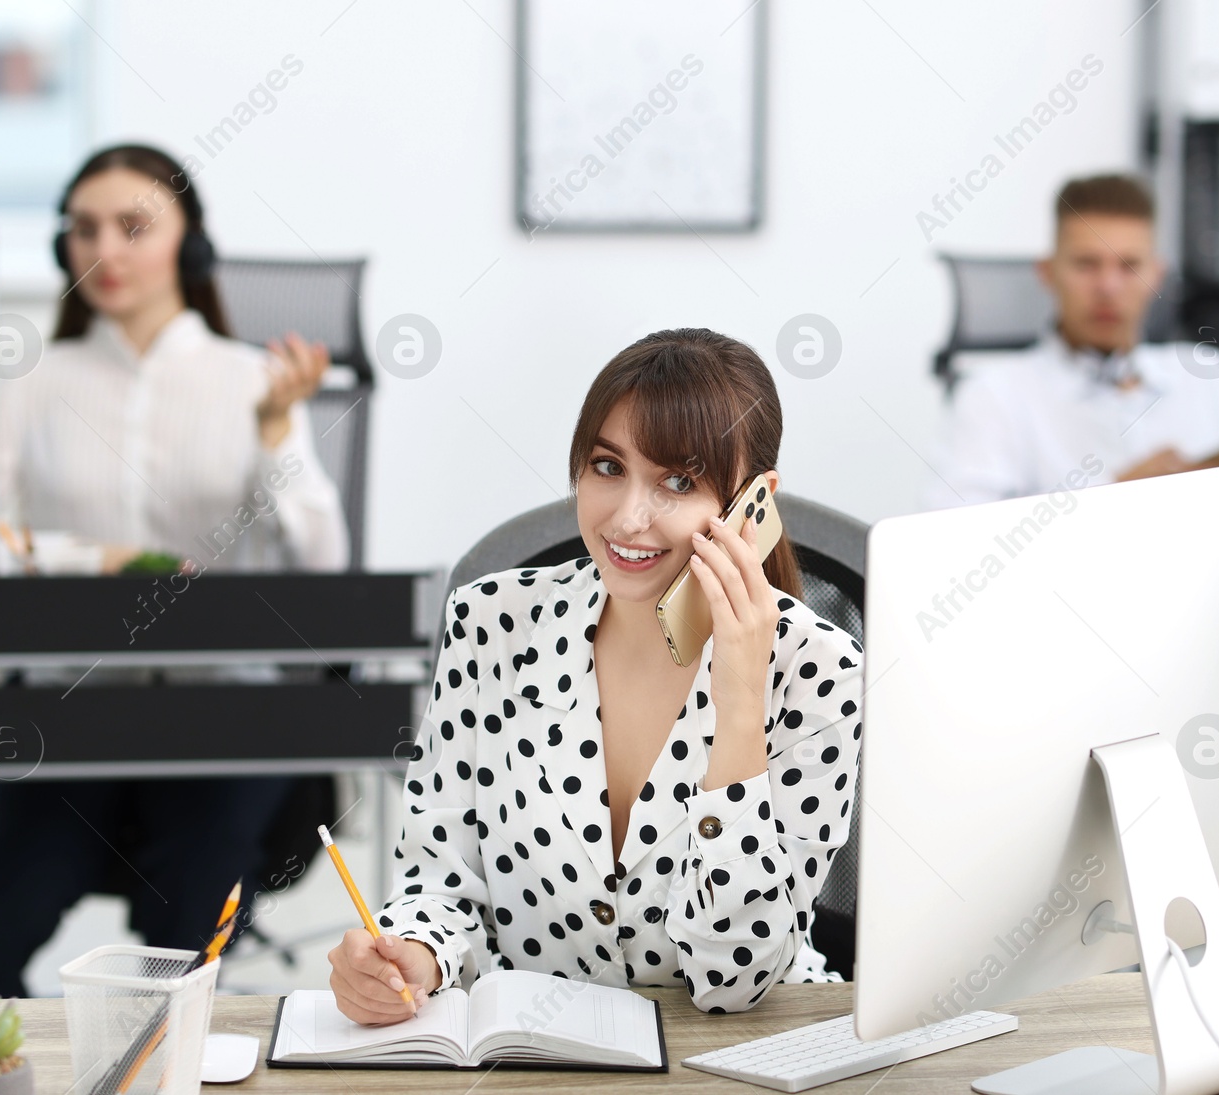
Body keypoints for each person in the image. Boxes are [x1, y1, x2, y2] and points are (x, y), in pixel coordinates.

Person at [327, 329, 863, 1021]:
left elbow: (735, 980)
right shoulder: (492, 622)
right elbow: (441, 882)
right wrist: (413, 954)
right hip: (537, 1051)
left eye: (678, 481)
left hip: (739, 1056)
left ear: (752, 503)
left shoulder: (820, 669)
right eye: (608, 467)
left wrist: (740, 706)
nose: (629, 516)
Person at [0, 145, 345, 997]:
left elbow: (323, 564)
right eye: (83, 229)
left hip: (221, 709)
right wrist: (94, 561)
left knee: (183, 942)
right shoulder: (33, 381)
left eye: (133, 226)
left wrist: (279, 433)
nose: (104, 250)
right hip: (65, 704)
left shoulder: (253, 381)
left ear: (191, 246)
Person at [923, 173, 1219, 510]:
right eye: (1087, 264)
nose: (1108, 287)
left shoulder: (1212, 378)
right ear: (1047, 272)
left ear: (1157, 276)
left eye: (1129, 266)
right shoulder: (994, 396)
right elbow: (951, 544)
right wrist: (1113, 496)